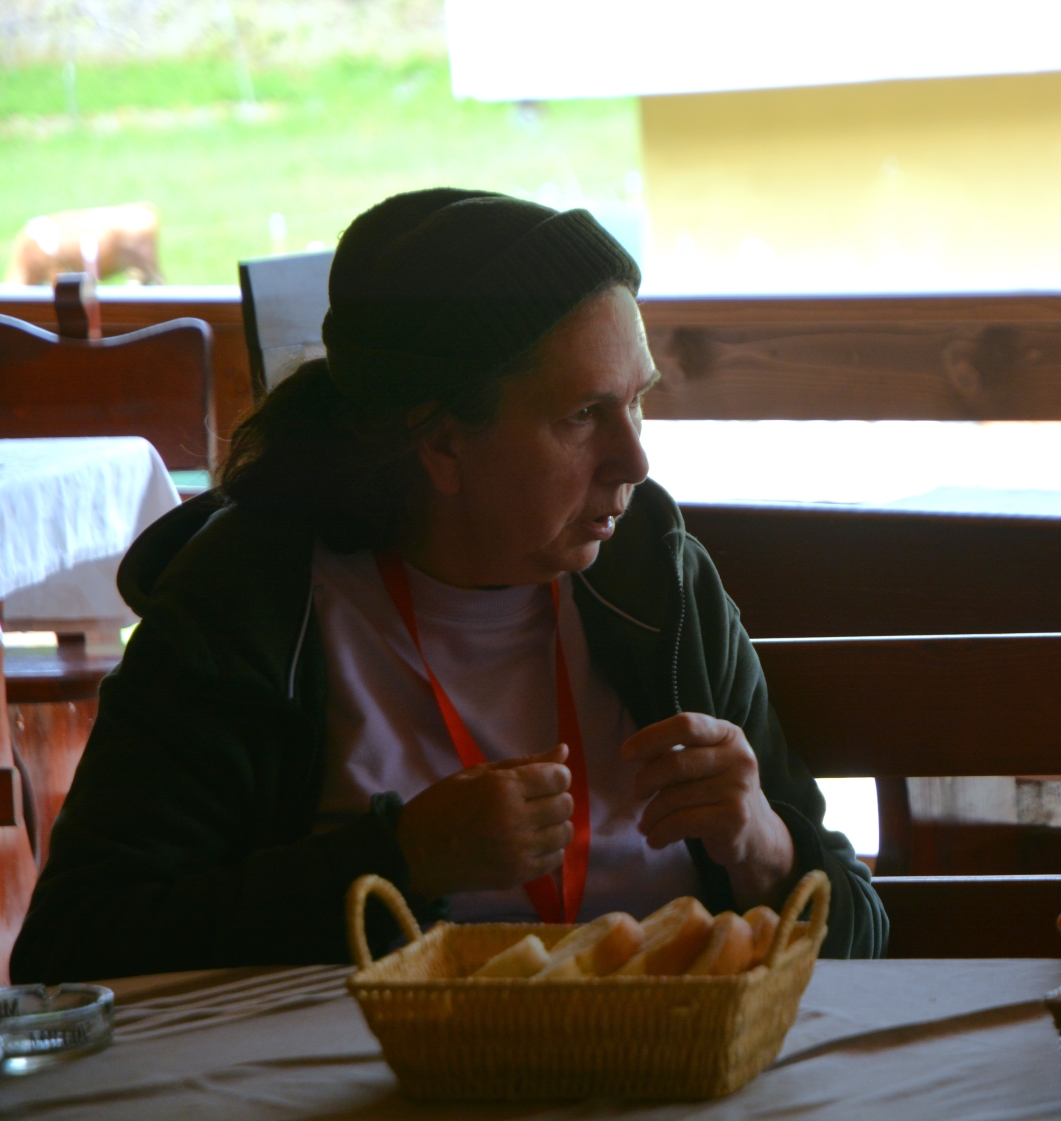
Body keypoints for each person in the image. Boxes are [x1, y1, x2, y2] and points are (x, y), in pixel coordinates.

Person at [12, 189, 885, 981]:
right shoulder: (253, 599)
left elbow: (865, 936)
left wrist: (764, 848)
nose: (634, 460)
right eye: (582, 415)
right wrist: (397, 860)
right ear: (438, 445)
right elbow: (77, 944)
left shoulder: (656, 575)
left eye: (638, 402)